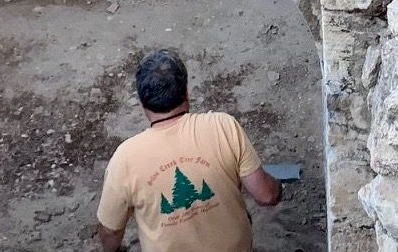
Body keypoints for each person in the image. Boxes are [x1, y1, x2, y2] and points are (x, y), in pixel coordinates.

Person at [96, 49, 280, 252]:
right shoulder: (222, 126)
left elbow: (110, 230)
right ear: (186, 93)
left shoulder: (125, 158)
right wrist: (276, 186)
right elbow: (266, 196)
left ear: (142, 102)